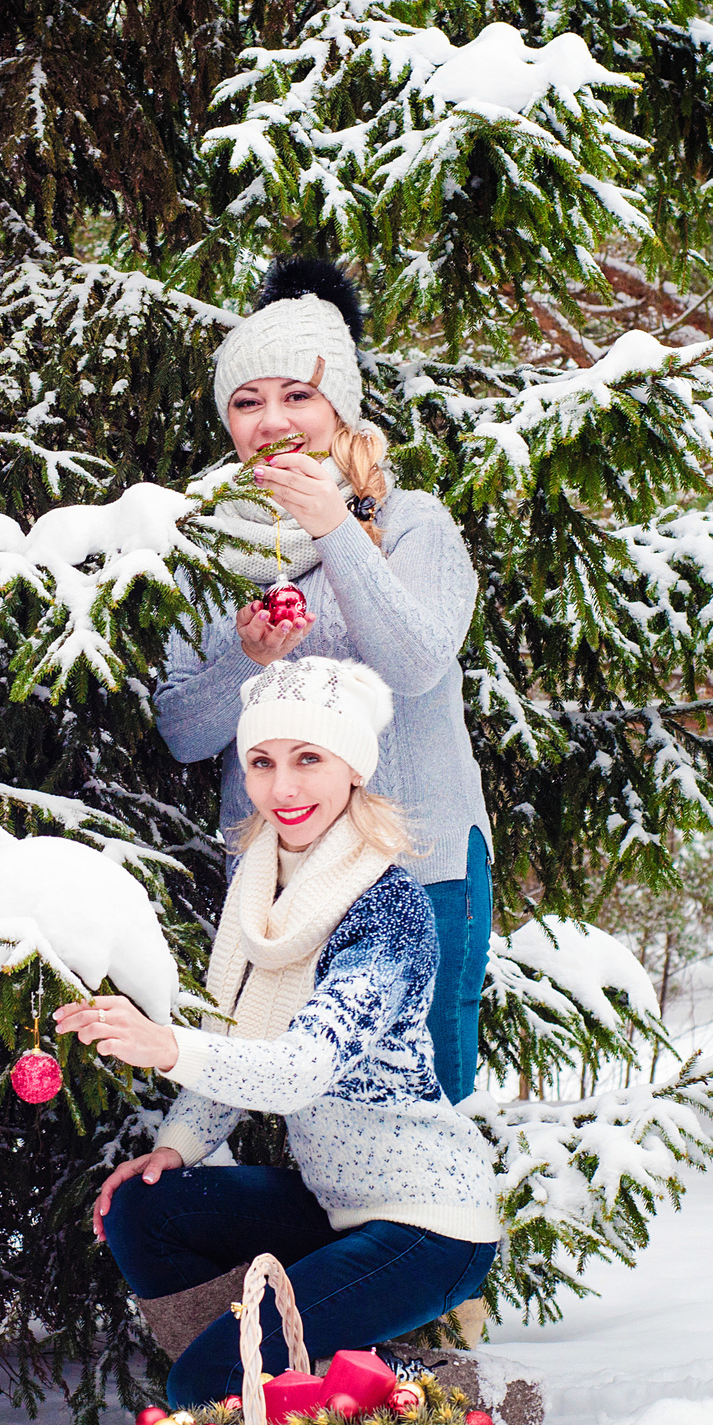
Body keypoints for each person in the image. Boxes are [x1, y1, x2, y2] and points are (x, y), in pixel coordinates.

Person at [61, 657, 500, 1406]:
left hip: (428, 1224)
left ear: (352, 768)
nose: (283, 788)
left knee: (202, 1381)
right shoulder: (261, 882)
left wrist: (165, 1045)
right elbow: (236, 1029)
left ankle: (444, 1398)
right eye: (261, 761)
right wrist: (174, 1148)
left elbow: (299, 1068)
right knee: (142, 1206)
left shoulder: (387, 910)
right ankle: (267, 1401)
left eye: (308, 759)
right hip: (331, 1201)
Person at [155, 258, 495, 1105]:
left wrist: (333, 528)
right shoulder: (200, 548)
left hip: (421, 863)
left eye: (296, 396)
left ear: (339, 404)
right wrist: (247, 657)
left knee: (422, 1116)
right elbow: (182, 731)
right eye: (246, 401)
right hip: (278, 881)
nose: (272, 421)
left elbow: (417, 664)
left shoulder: (412, 523)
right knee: (296, 1120)